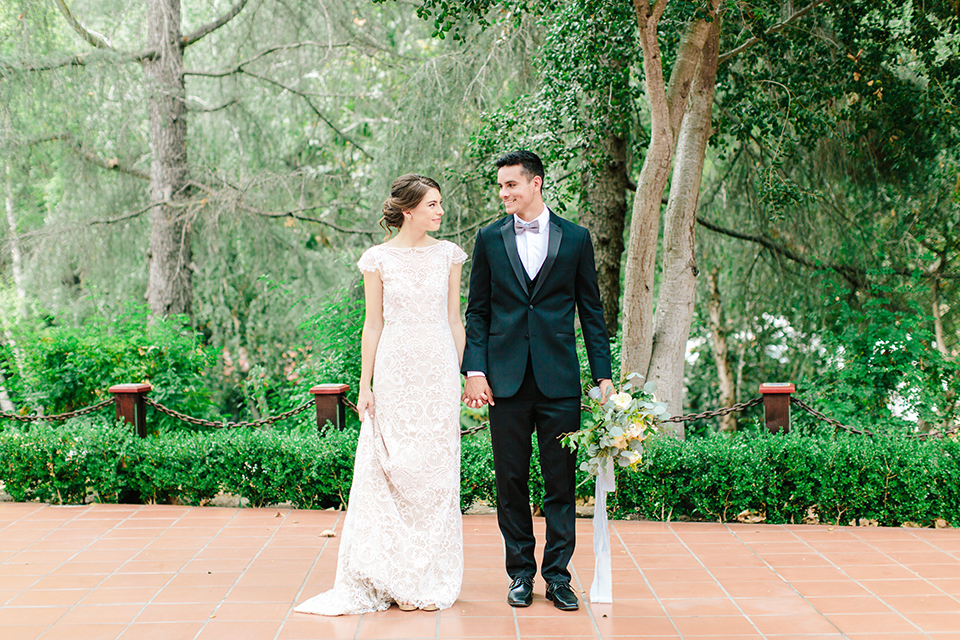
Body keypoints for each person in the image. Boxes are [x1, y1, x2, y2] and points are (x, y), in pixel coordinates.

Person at [295, 174, 466, 616]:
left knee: (435, 474)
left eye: (440, 204)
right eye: (432, 204)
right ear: (409, 210)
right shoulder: (377, 259)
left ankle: (426, 576)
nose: (440, 211)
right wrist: (366, 384)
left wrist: (461, 373)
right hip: (394, 370)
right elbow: (373, 324)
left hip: (438, 371)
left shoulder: (449, 255)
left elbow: (454, 319)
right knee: (395, 470)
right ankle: (394, 577)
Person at [462, 150, 614, 611]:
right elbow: (479, 312)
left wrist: (603, 376)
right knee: (510, 482)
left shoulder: (576, 239)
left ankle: (559, 576)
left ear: (536, 183)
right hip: (503, 383)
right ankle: (521, 575)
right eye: (501, 186)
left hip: (559, 381)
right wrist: (474, 370)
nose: (504, 193)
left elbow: (591, 311)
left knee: (560, 483)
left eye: (512, 184)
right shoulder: (489, 239)